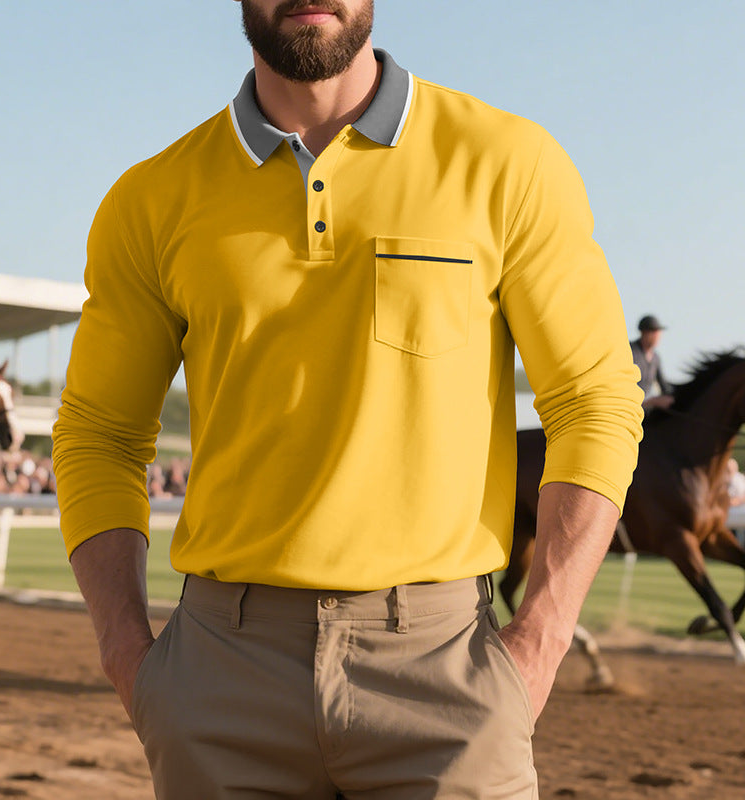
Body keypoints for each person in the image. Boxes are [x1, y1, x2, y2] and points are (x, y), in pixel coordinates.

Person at [52, 2, 644, 797]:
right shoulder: (151, 197)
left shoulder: (509, 161)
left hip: (447, 677)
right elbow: (99, 434)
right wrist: (126, 653)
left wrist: (541, 639)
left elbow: (594, 401)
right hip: (221, 678)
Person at [630, 314, 674, 410]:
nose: (658, 337)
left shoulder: (655, 358)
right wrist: (650, 402)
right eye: (654, 333)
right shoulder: (630, 351)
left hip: (645, 408)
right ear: (644, 333)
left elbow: (663, 385)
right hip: (629, 405)